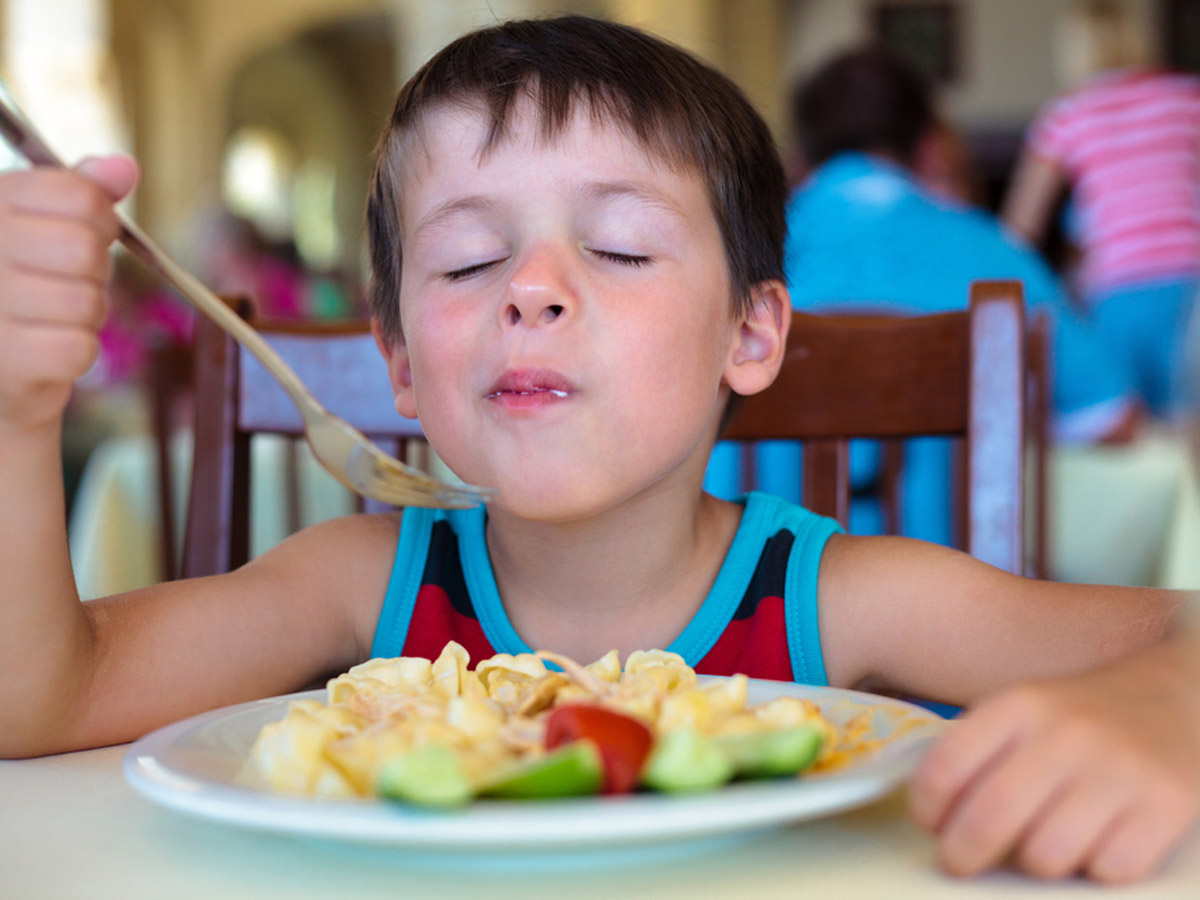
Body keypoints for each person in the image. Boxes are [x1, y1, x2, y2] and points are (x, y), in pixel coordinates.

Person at [0, 15, 1196, 885]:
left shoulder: (846, 601)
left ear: (751, 331)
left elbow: (1172, 634)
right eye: (469, 262)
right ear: (402, 360)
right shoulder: (356, 585)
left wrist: (1165, 700)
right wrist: (14, 416)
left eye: (619, 248)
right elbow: (44, 699)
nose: (532, 289)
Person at [709, 46, 1138, 545]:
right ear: (930, 148)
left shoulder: (732, 257)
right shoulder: (995, 253)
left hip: (759, 601)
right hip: (959, 601)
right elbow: (1113, 421)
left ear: (799, 158)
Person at [1004, 0, 1200, 417]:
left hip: (1117, 287)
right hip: (1192, 283)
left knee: (1130, 434)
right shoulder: (1185, 96)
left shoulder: (1068, 115)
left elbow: (1018, 231)